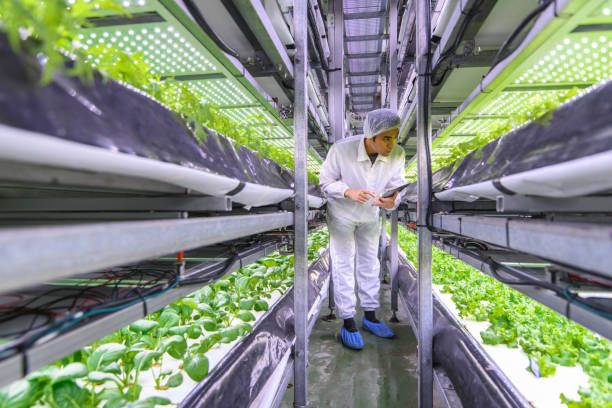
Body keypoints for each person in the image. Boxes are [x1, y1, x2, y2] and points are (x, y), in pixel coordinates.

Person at [319, 108, 406, 350]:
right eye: (386, 138)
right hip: (342, 215)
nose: (392, 144)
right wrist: (349, 191)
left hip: (370, 214)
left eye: (395, 137)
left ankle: (369, 316)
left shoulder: (397, 154)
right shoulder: (342, 149)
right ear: (370, 137)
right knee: (344, 263)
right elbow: (325, 181)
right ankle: (348, 320)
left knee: (371, 263)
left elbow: (397, 184)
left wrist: (392, 200)